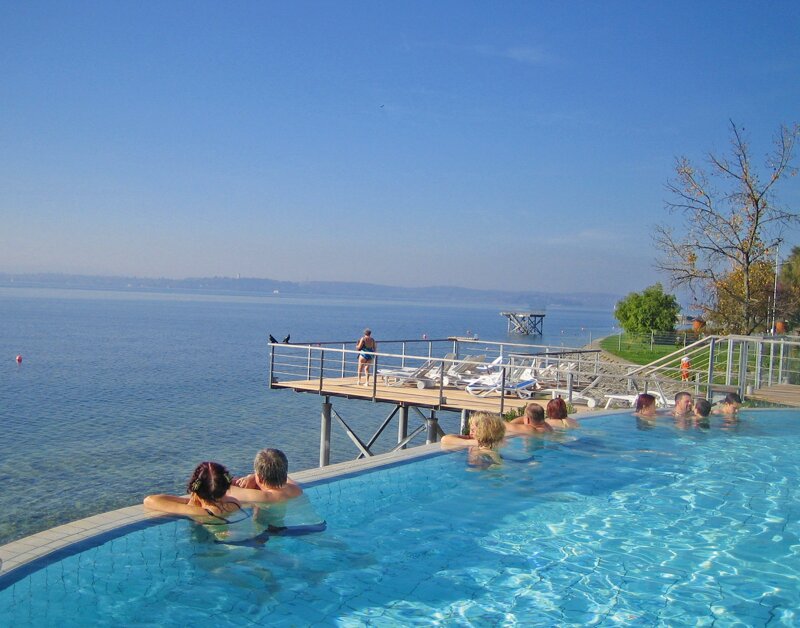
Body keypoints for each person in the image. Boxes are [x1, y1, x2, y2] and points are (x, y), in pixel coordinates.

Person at [144, 461, 243, 523]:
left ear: (195, 490)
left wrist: (189, 501)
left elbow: (149, 500)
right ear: (226, 487)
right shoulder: (235, 503)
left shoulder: (200, 512)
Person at [228, 448, 303, 504]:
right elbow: (285, 476)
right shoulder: (296, 490)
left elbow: (227, 490)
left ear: (260, 478)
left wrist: (252, 478)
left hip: (266, 525)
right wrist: (255, 476)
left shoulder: (264, 497)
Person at [441, 412, 506, 450]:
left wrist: (467, 440)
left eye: (472, 430)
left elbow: (444, 439)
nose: (470, 433)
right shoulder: (497, 442)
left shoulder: (481, 445)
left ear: (483, 431)